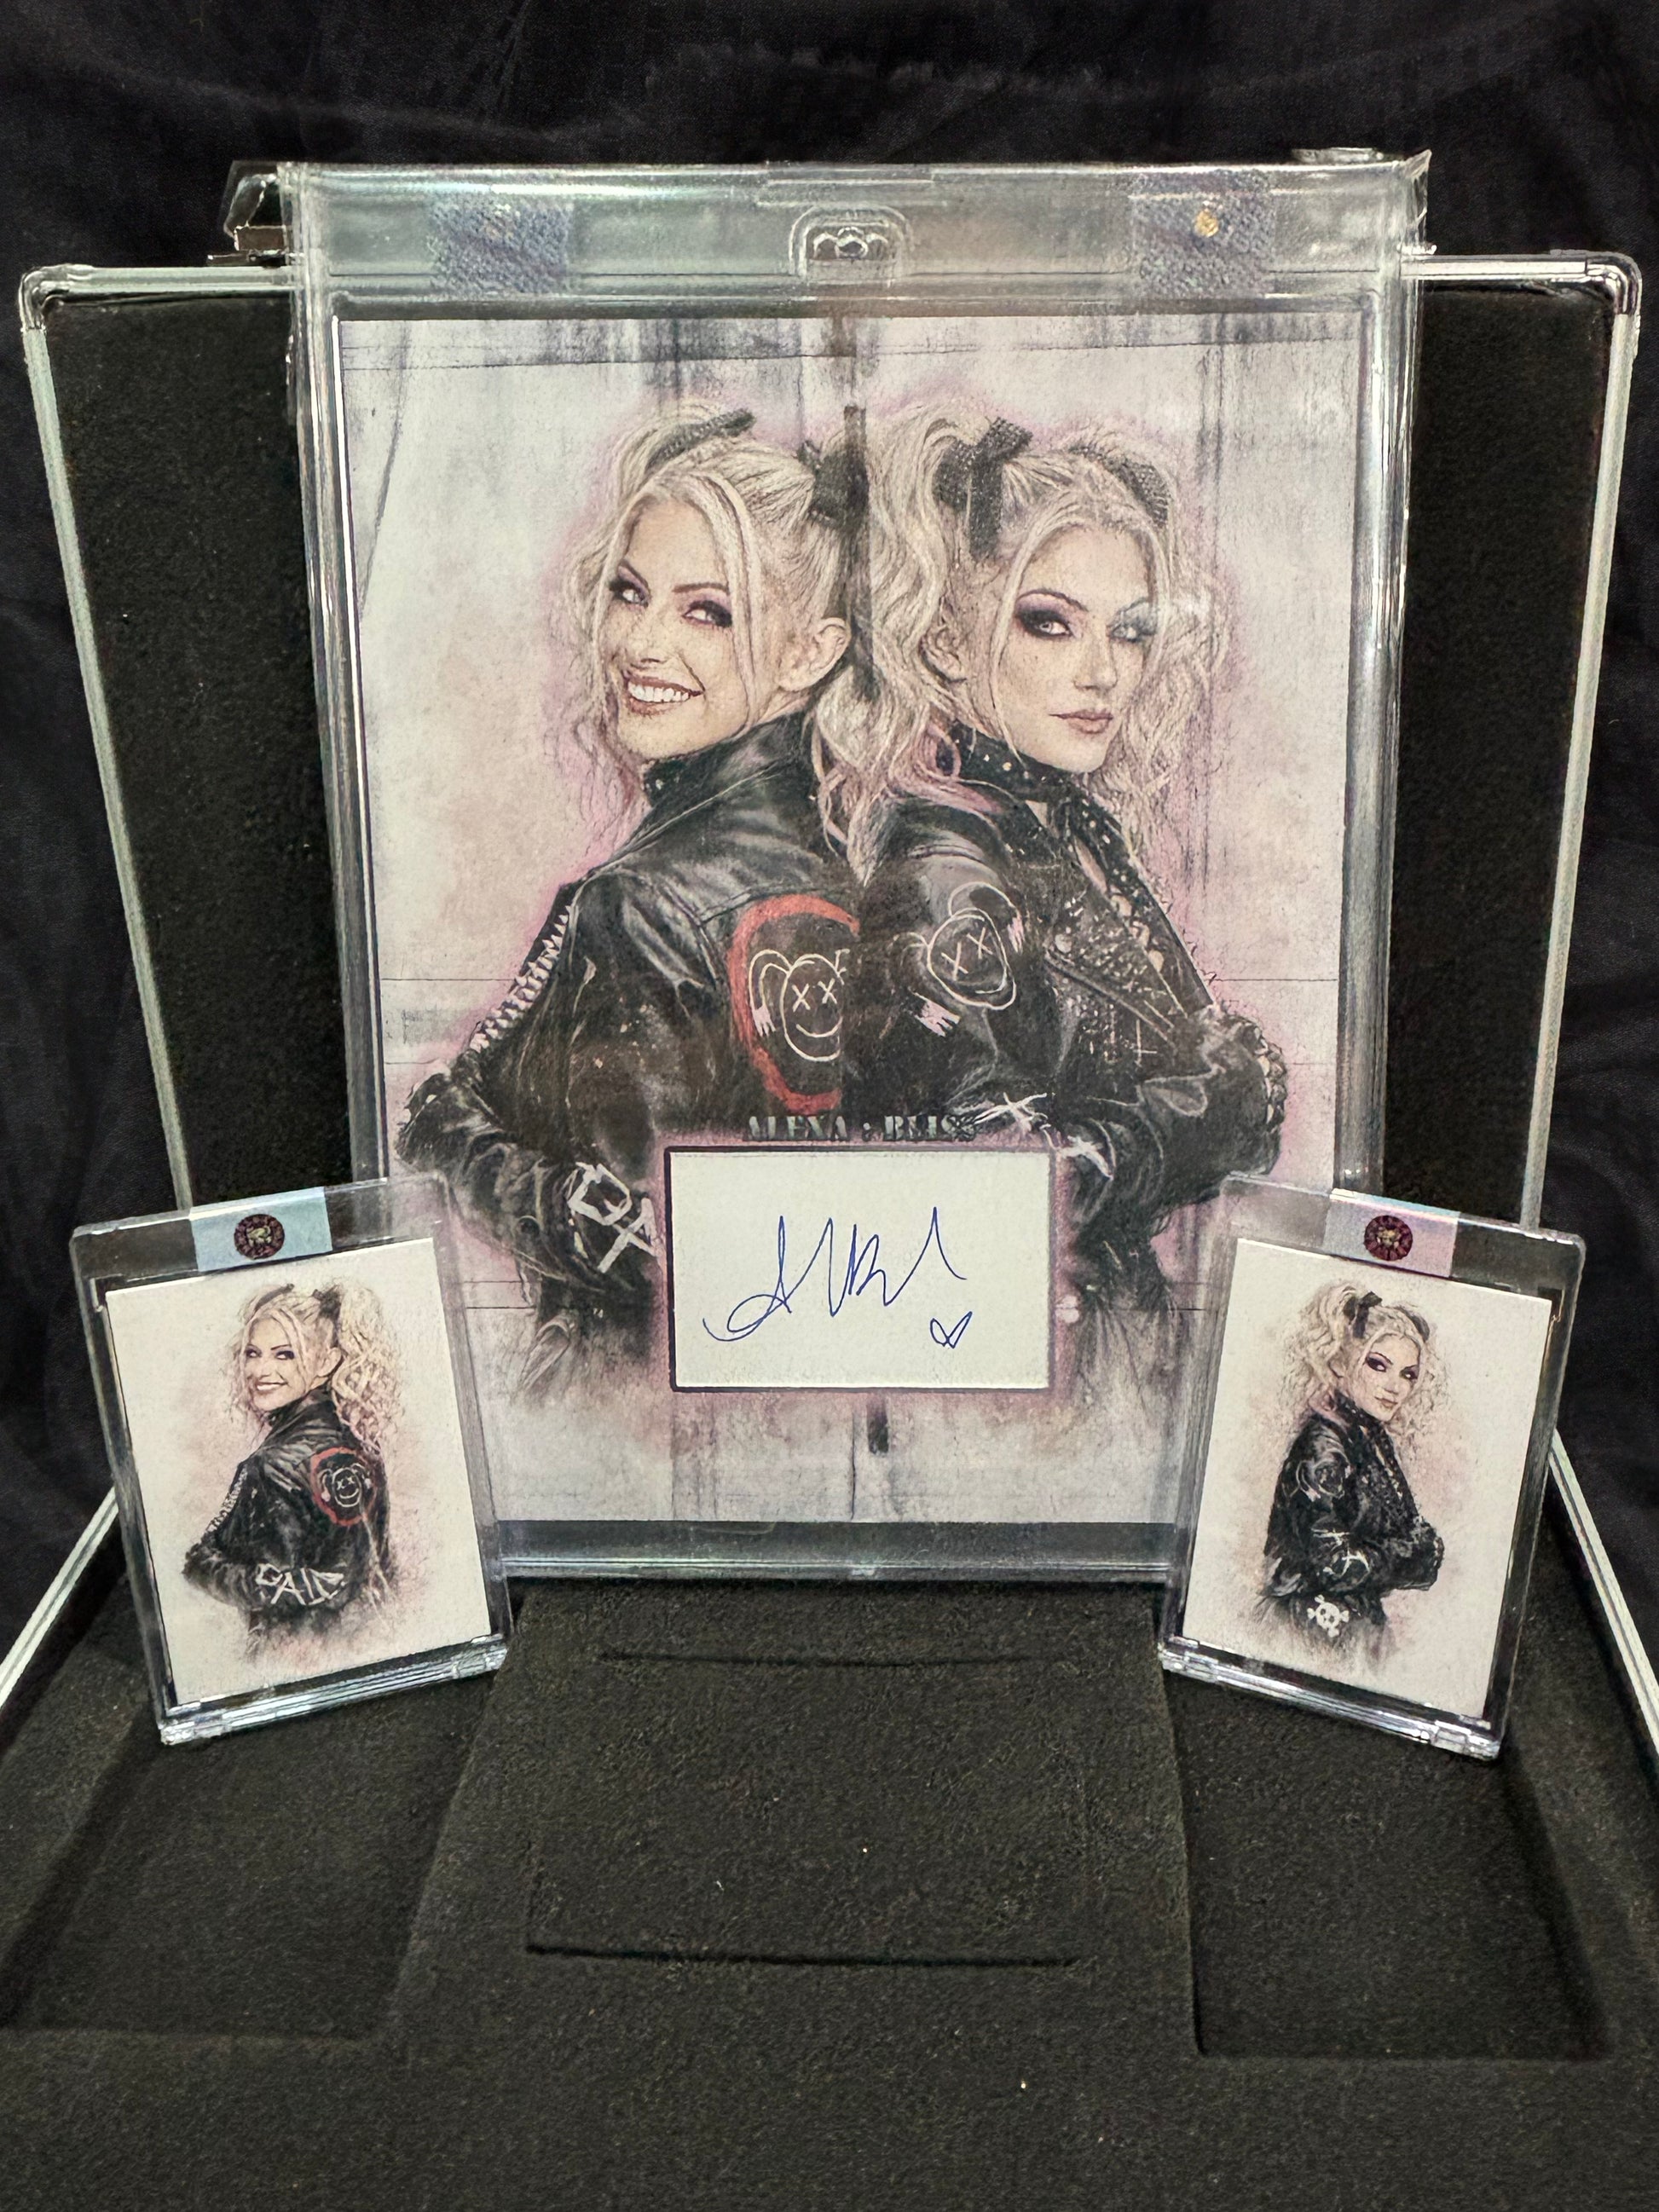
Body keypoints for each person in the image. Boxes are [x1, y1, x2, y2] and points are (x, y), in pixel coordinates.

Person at [398, 403, 865, 1381]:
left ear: (808, 652)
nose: (641, 644)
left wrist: (454, 1141)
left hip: (639, 1402)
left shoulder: (642, 905)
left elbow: (643, 1248)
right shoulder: (848, 858)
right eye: (629, 593)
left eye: (707, 611)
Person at [821, 405, 1285, 1331]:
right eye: (1049, 624)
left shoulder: (1061, 824)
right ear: (946, 639)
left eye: (1130, 630)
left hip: (1104, 1335)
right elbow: (983, 1201)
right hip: (1027, 1354)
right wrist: (1207, 1110)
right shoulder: (945, 873)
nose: (1103, 672)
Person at [184, 1279, 396, 1636]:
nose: (260, 1371)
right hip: (372, 1634)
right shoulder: (358, 1443)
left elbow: (271, 1592)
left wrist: (200, 1565)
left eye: (285, 1354)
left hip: (301, 1648)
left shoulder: (270, 1467)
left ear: (327, 1362)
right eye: (253, 1353)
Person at [1263, 1282, 1444, 1647]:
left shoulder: (1369, 1435)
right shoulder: (1325, 1445)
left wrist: (1416, 1552)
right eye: (1378, 1366)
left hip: (1356, 1623)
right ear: (1342, 1362)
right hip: (1309, 1625)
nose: (1395, 1387)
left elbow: (1416, 1536)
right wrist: (1409, 1556)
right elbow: (1334, 1565)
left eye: (1408, 1374)